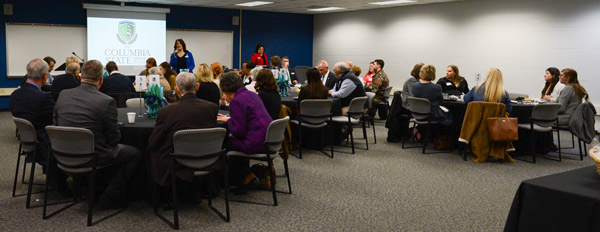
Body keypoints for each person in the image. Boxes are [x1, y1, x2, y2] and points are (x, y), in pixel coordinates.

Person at [54, 60, 141, 209]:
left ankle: (84, 187)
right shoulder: (106, 101)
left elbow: (55, 124)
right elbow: (114, 139)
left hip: (62, 154)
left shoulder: (63, 95)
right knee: (135, 153)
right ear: (101, 80)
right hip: (92, 157)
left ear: (81, 77)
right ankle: (109, 197)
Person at [10, 58, 70, 196]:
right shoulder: (43, 98)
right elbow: (59, 120)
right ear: (44, 76)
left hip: (29, 143)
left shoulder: (14, 95)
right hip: (46, 145)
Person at [147, 72, 218, 186]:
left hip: (178, 161)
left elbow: (153, 143)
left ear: (177, 89)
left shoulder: (167, 112)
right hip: (207, 158)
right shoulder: (211, 108)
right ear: (197, 87)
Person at [217, 72, 272, 193]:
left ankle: (232, 179)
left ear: (226, 89)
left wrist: (230, 121)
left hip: (254, 143)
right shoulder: (251, 95)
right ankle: (245, 175)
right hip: (266, 139)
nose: (224, 96)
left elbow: (238, 132)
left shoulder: (236, 101)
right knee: (232, 142)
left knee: (223, 143)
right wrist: (231, 119)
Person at [411, 64, 452, 140]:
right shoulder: (436, 87)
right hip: (431, 114)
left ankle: (420, 130)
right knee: (450, 114)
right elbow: (441, 101)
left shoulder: (414, 86)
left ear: (421, 73)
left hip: (416, 113)